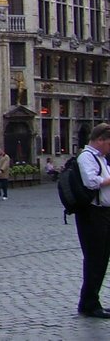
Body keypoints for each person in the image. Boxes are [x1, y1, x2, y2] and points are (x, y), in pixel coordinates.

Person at [74, 122, 110, 318]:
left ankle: (91, 299)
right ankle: (89, 303)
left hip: (103, 213)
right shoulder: (87, 157)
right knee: (95, 258)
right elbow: (90, 182)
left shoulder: (101, 158)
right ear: (100, 140)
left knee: (102, 257)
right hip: (92, 214)